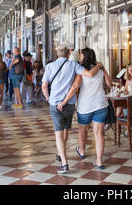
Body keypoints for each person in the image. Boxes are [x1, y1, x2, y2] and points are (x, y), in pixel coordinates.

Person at [41, 45, 102, 174]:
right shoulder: (73, 65)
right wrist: (99, 65)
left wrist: (48, 98)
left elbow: (44, 86)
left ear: (57, 54)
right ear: (69, 53)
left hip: (55, 103)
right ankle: (59, 153)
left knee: (58, 132)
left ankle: (64, 162)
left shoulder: (50, 66)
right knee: (65, 129)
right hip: (69, 104)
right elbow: (90, 74)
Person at [73, 48, 112, 169]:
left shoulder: (81, 70)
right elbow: (109, 84)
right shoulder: (100, 68)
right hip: (101, 104)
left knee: (82, 131)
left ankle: (82, 150)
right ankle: (99, 160)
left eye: (81, 55)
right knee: (99, 133)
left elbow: (76, 86)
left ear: (84, 56)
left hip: (85, 105)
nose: (79, 57)